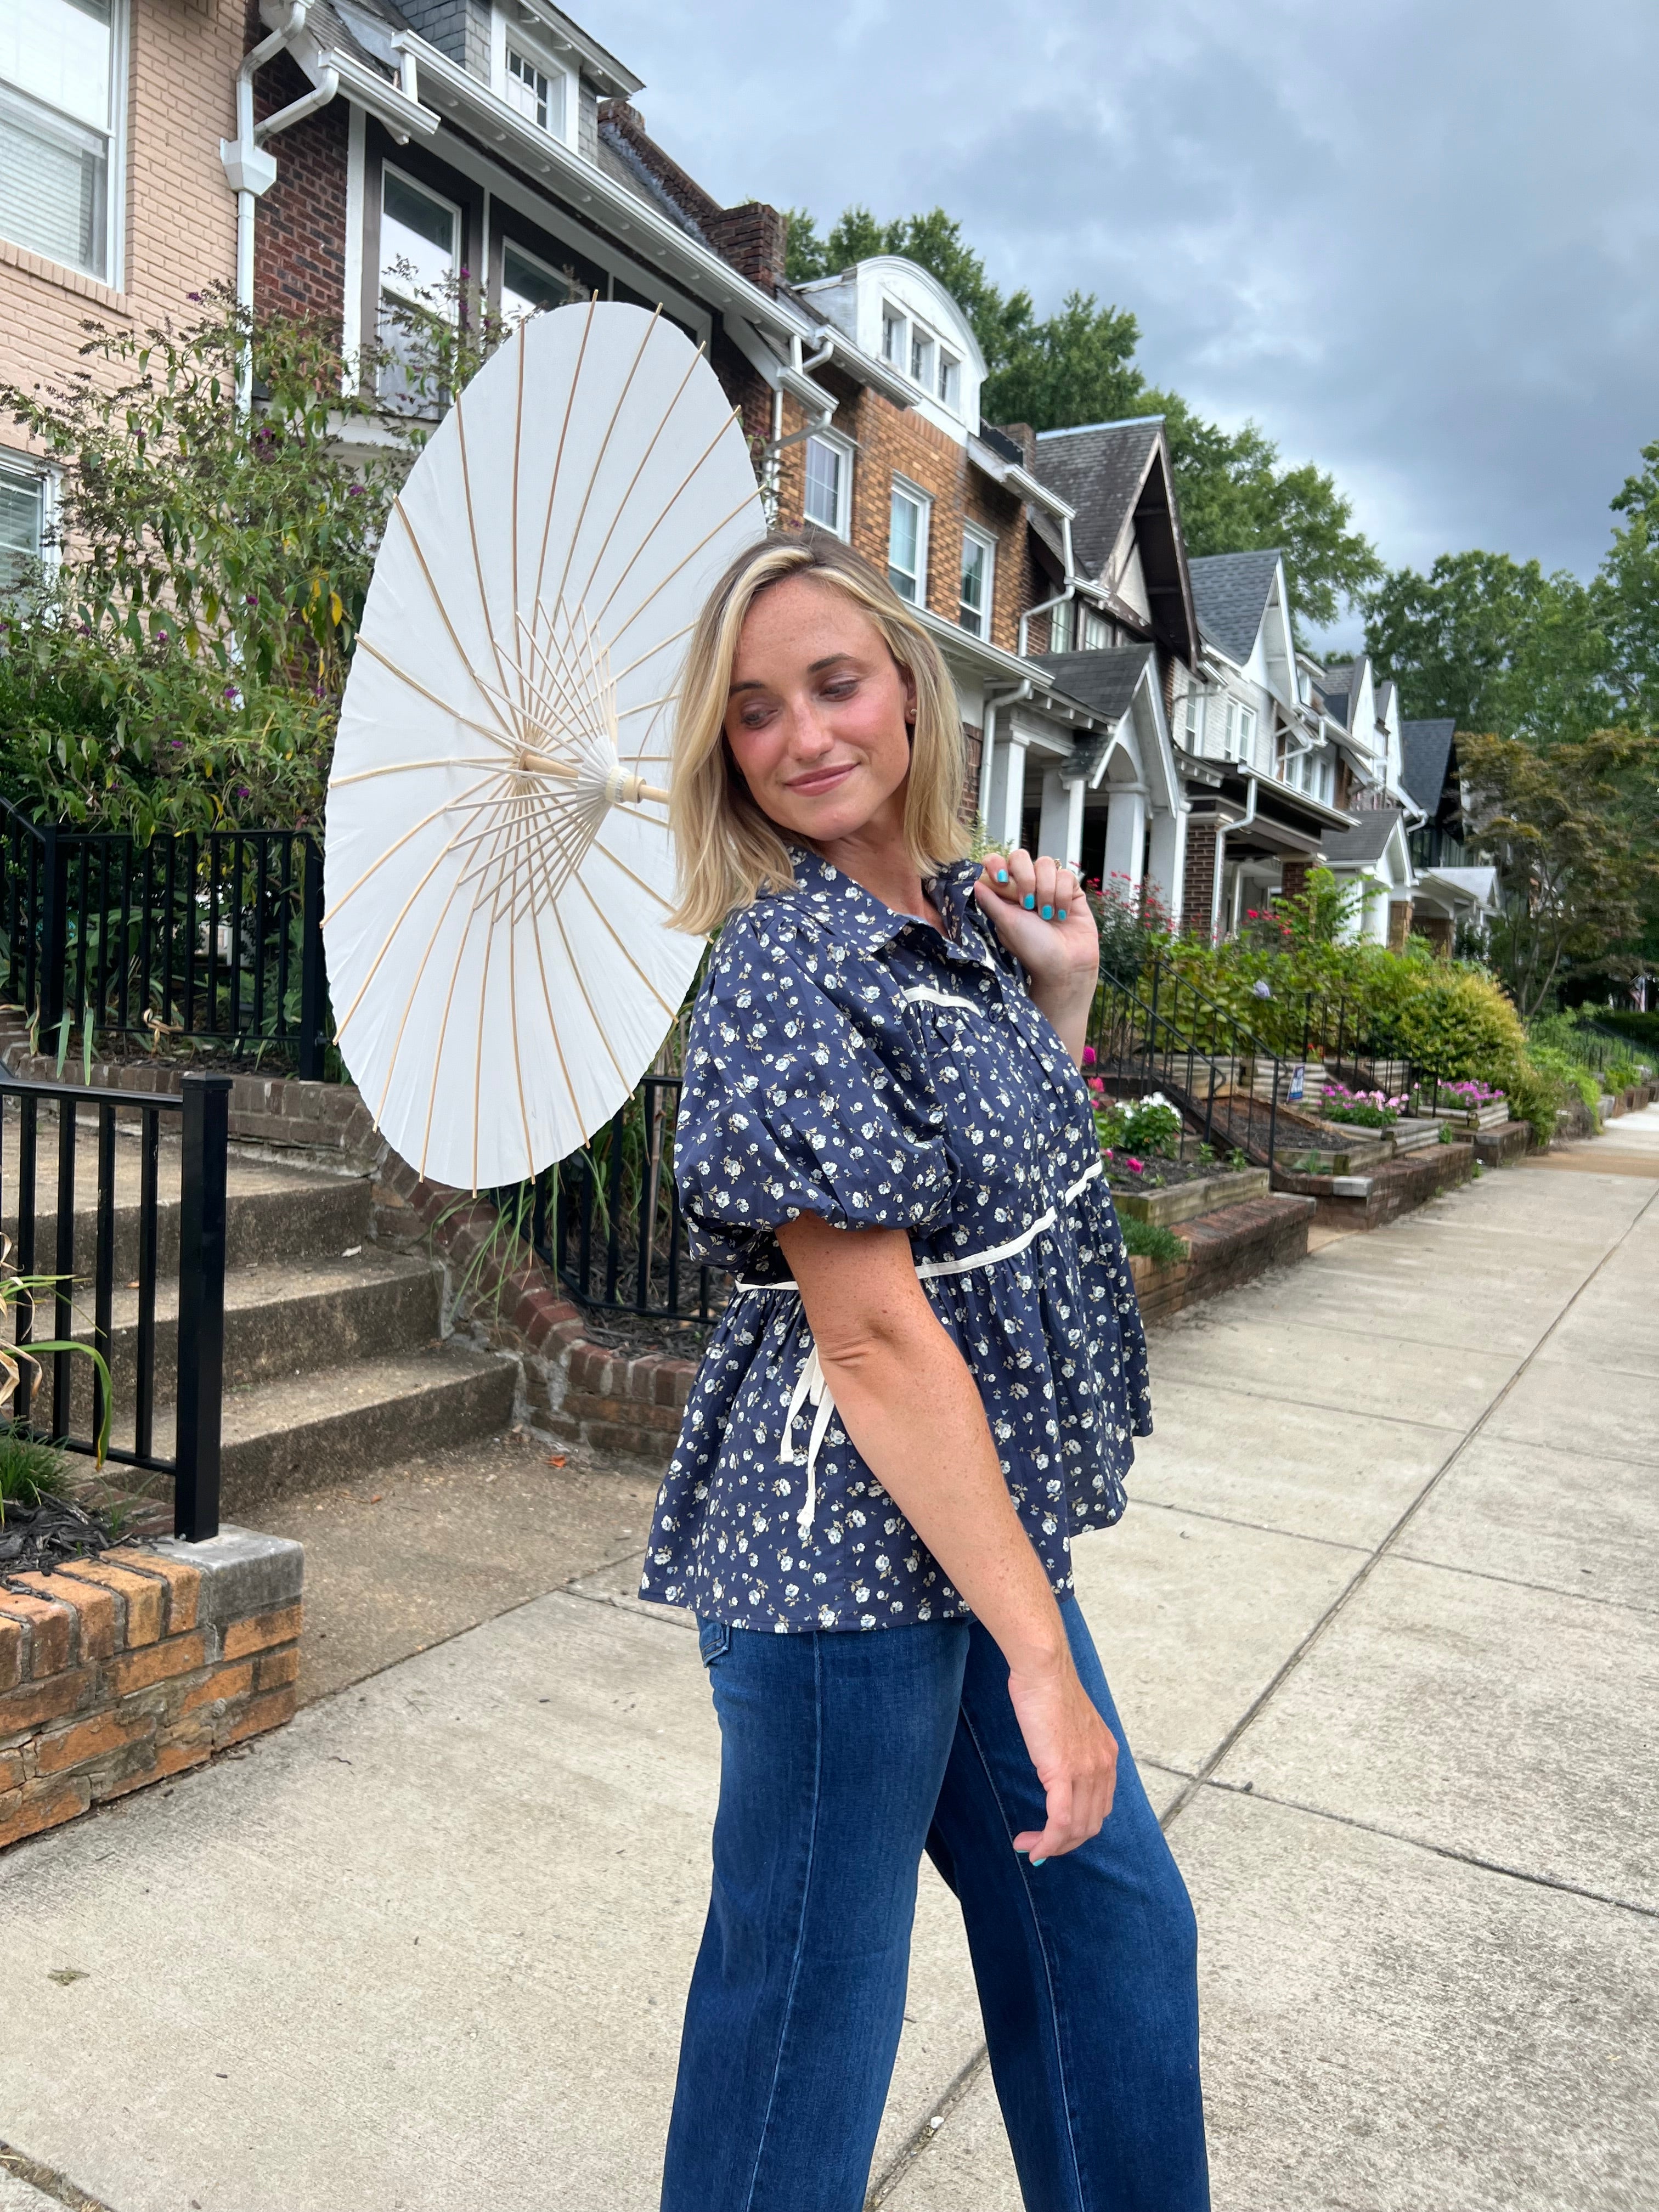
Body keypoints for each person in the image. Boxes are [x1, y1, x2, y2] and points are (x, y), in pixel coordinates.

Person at [642, 532, 1209, 2212]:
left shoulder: (955, 924)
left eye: (835, 684)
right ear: (723, 750)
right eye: (755, 713)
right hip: (837, 1576)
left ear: (909, 690)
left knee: (1111, 1930)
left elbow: (1004, 1204)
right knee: (807, 2024)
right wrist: (1042, 1652)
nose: (806, 736)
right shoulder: (784, 962)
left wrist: (1069, 997)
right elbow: (875, 1334)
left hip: (964, 1537)